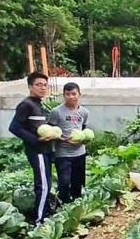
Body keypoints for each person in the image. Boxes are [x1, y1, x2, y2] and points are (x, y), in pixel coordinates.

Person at [9, 71, 56, 225]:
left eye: (44, 85)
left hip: (46, 150)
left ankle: (46, 212)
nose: (43, 88)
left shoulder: (40, 104)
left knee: (47, 183)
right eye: (38, 85)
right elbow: (14, 127)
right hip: (38, 151)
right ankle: (39, 221)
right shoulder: (26, 105)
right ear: (30, 87)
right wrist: (36, 140)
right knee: (43, 185)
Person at [48, 82, 89, 205]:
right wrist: (61, 139)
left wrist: (84, 139)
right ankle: (63, 204)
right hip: (63, 153)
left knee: (78, 182)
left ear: (79, 94)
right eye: (67, 94)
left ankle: (76, 205)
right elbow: (50, 132)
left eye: (73, 94)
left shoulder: (84, 112)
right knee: (64, 182)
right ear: (63, 95)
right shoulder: (56, 112)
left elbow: (84, 129)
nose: (71, 97)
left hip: (79, 152)